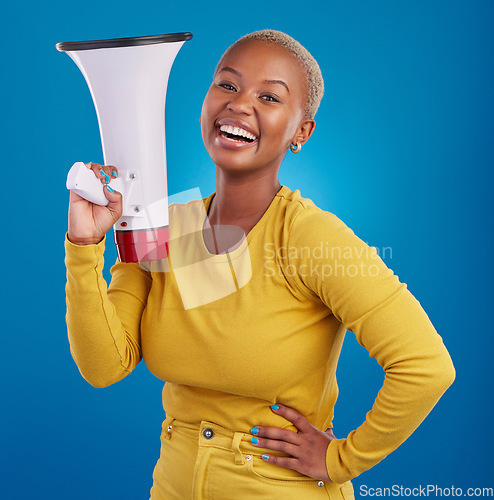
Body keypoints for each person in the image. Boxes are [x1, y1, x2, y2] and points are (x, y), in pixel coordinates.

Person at [65, 29, 455, 499]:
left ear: (301, 132)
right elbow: (104, 365)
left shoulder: (309, 237)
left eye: (269, 96)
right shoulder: (164, 228)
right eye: (227, 85)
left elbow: (426, 366)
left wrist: (341, 460)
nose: (239, 104)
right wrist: (84, 245)